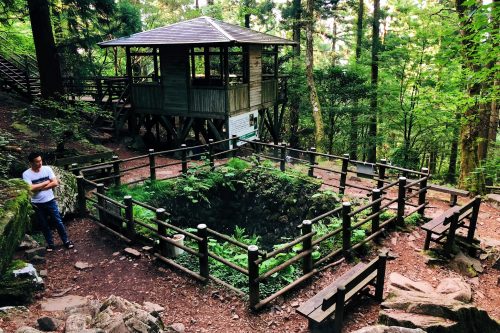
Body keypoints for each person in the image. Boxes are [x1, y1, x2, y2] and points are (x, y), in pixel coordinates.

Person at [22, 152, 74, 252]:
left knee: (58, 221)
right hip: (36, 203)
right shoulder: (26, 174)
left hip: (50, 200)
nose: (40, 163)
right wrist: (46, 182)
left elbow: (55, 183)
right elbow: (30, 188)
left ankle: (66, 241)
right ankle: (50, 244)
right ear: (31, 163)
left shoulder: (47, 169)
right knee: (44, 224)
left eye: (40, 160)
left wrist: (38, 187)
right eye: (37, 162)